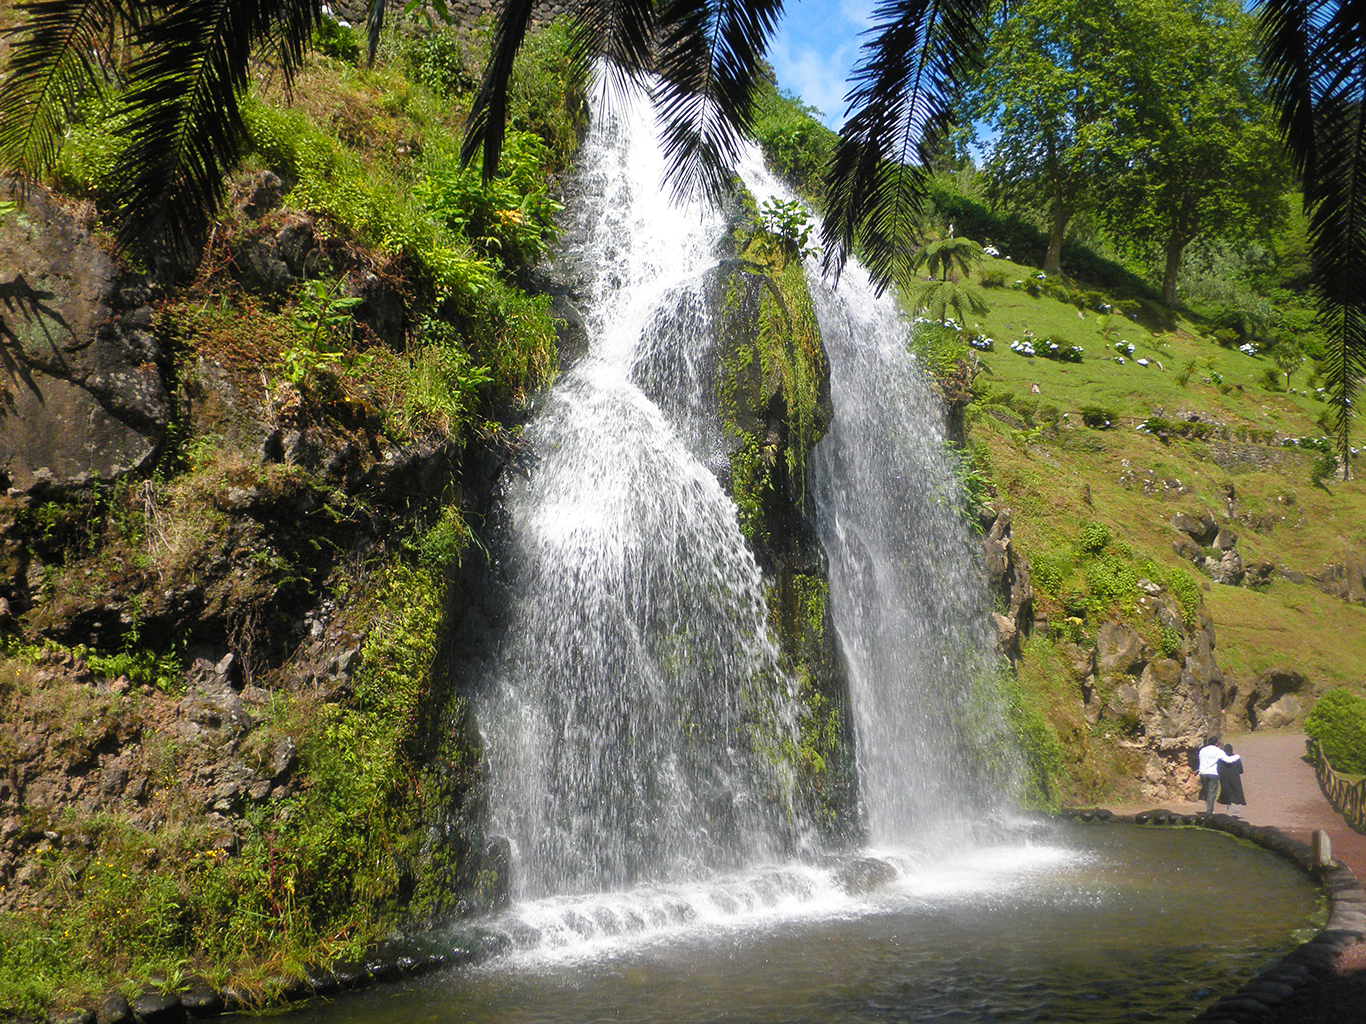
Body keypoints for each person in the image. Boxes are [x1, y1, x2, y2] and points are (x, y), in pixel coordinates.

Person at [1197, 737, 1241, 815]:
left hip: (1203, 772)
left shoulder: (1202, 750)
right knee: (1212, 792)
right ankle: (1209, 811)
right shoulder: (1217, 751)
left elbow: (1200, 759)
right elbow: (1228, 760)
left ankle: (1208, 808)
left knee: (1206, 791)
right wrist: (1237, 756)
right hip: (1212, 773)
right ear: (1216, 743)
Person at [1217, 742, 1247, 816]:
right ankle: (1235, 812)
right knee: (1236, 792)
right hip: (1234, 777)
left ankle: (1229, 809)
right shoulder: (1236, 758)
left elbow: (1219, 769)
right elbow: (1241, 770)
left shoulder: (1221, 759)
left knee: (1228, 793)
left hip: (1224, 778)